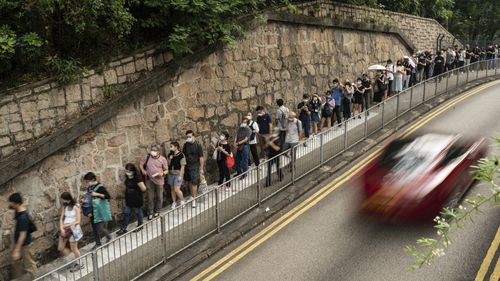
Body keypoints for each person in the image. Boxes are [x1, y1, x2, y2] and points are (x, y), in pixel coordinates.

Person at [9, 193, 38, 279]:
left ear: (17, 203)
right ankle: (20, 278)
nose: (10, 204)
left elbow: (23, 235)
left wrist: (17, 249)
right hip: (20, 244)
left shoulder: (23, 217)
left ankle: (36, 278)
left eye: (12, 203)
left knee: (29, 264)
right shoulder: (19, 210)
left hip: (24, 245)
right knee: (16, 262)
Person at [82, 172, 112, 249]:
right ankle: (98, 243)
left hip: (99, 210)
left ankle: (109, 237)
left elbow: (108, 196)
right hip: (92, 210)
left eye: (87, 181)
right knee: (94, 228)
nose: (87, 183)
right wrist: (84, 200)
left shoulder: (100, 187)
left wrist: (97, 194)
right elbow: (89, 197)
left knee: (100, 228)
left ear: (93, 179)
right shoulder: (90, 188)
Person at [140, 144, 168, 219]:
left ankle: (157, 211)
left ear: (158, 151)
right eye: (152, 150)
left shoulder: (163, 159)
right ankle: (150, 212)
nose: (152, 151)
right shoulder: (147, 157)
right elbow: (141, 164)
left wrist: (162, 174)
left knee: (159, 197)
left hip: (159, 180)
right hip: (149, 180)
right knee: (150, 197)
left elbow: (166, 170)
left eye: (154, 150)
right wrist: (143, 171)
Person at [58, 192, 84, 272]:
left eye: (63, 200)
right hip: (65, 230)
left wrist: (68, 225)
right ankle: (72, 260)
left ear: (68, 199)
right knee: (60, 248)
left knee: (74, 248)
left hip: (73, 230)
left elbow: (78, 221)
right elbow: (61, 218)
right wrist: (62, 228)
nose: (62, 202)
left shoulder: (76, 207)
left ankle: (80, 263)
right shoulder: (65, 207)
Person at [117, 163, 146, 235]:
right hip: (129, 199)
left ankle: (140, 225)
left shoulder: (137, 178)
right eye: (126, 170)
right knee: (126, 213)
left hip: (136, 199)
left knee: (138, 212)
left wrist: (135, 191)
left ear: (133, 171)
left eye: (129, 171)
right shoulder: (127, 177)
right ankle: (123, 228)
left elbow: (144, 189)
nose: (127, 172)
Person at [182, 130, 205, 208]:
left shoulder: (198, 145)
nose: (188, 138)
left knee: (194, 182)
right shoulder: (185, 145)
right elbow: (183, 155)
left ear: (193, 136)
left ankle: (194, 199)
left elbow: (201, 157)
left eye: (189, 136)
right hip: (187, 166)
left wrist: (201, 168)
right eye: (187, 137)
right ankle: (192, 196)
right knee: (190, 181)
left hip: (195, 166)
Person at [167, 142, 186, 209]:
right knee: (172, 189)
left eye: (171, 146)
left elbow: (183, 166)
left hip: (178, 174)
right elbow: (168, 164)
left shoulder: (181, 155)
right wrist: (170, 159)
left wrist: (180, 176)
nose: (170, 148)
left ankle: (182, 201)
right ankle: (174, 202)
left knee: (176, 189)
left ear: (176, 147)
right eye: (170, 146)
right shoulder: (170, 154)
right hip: (170, 174)